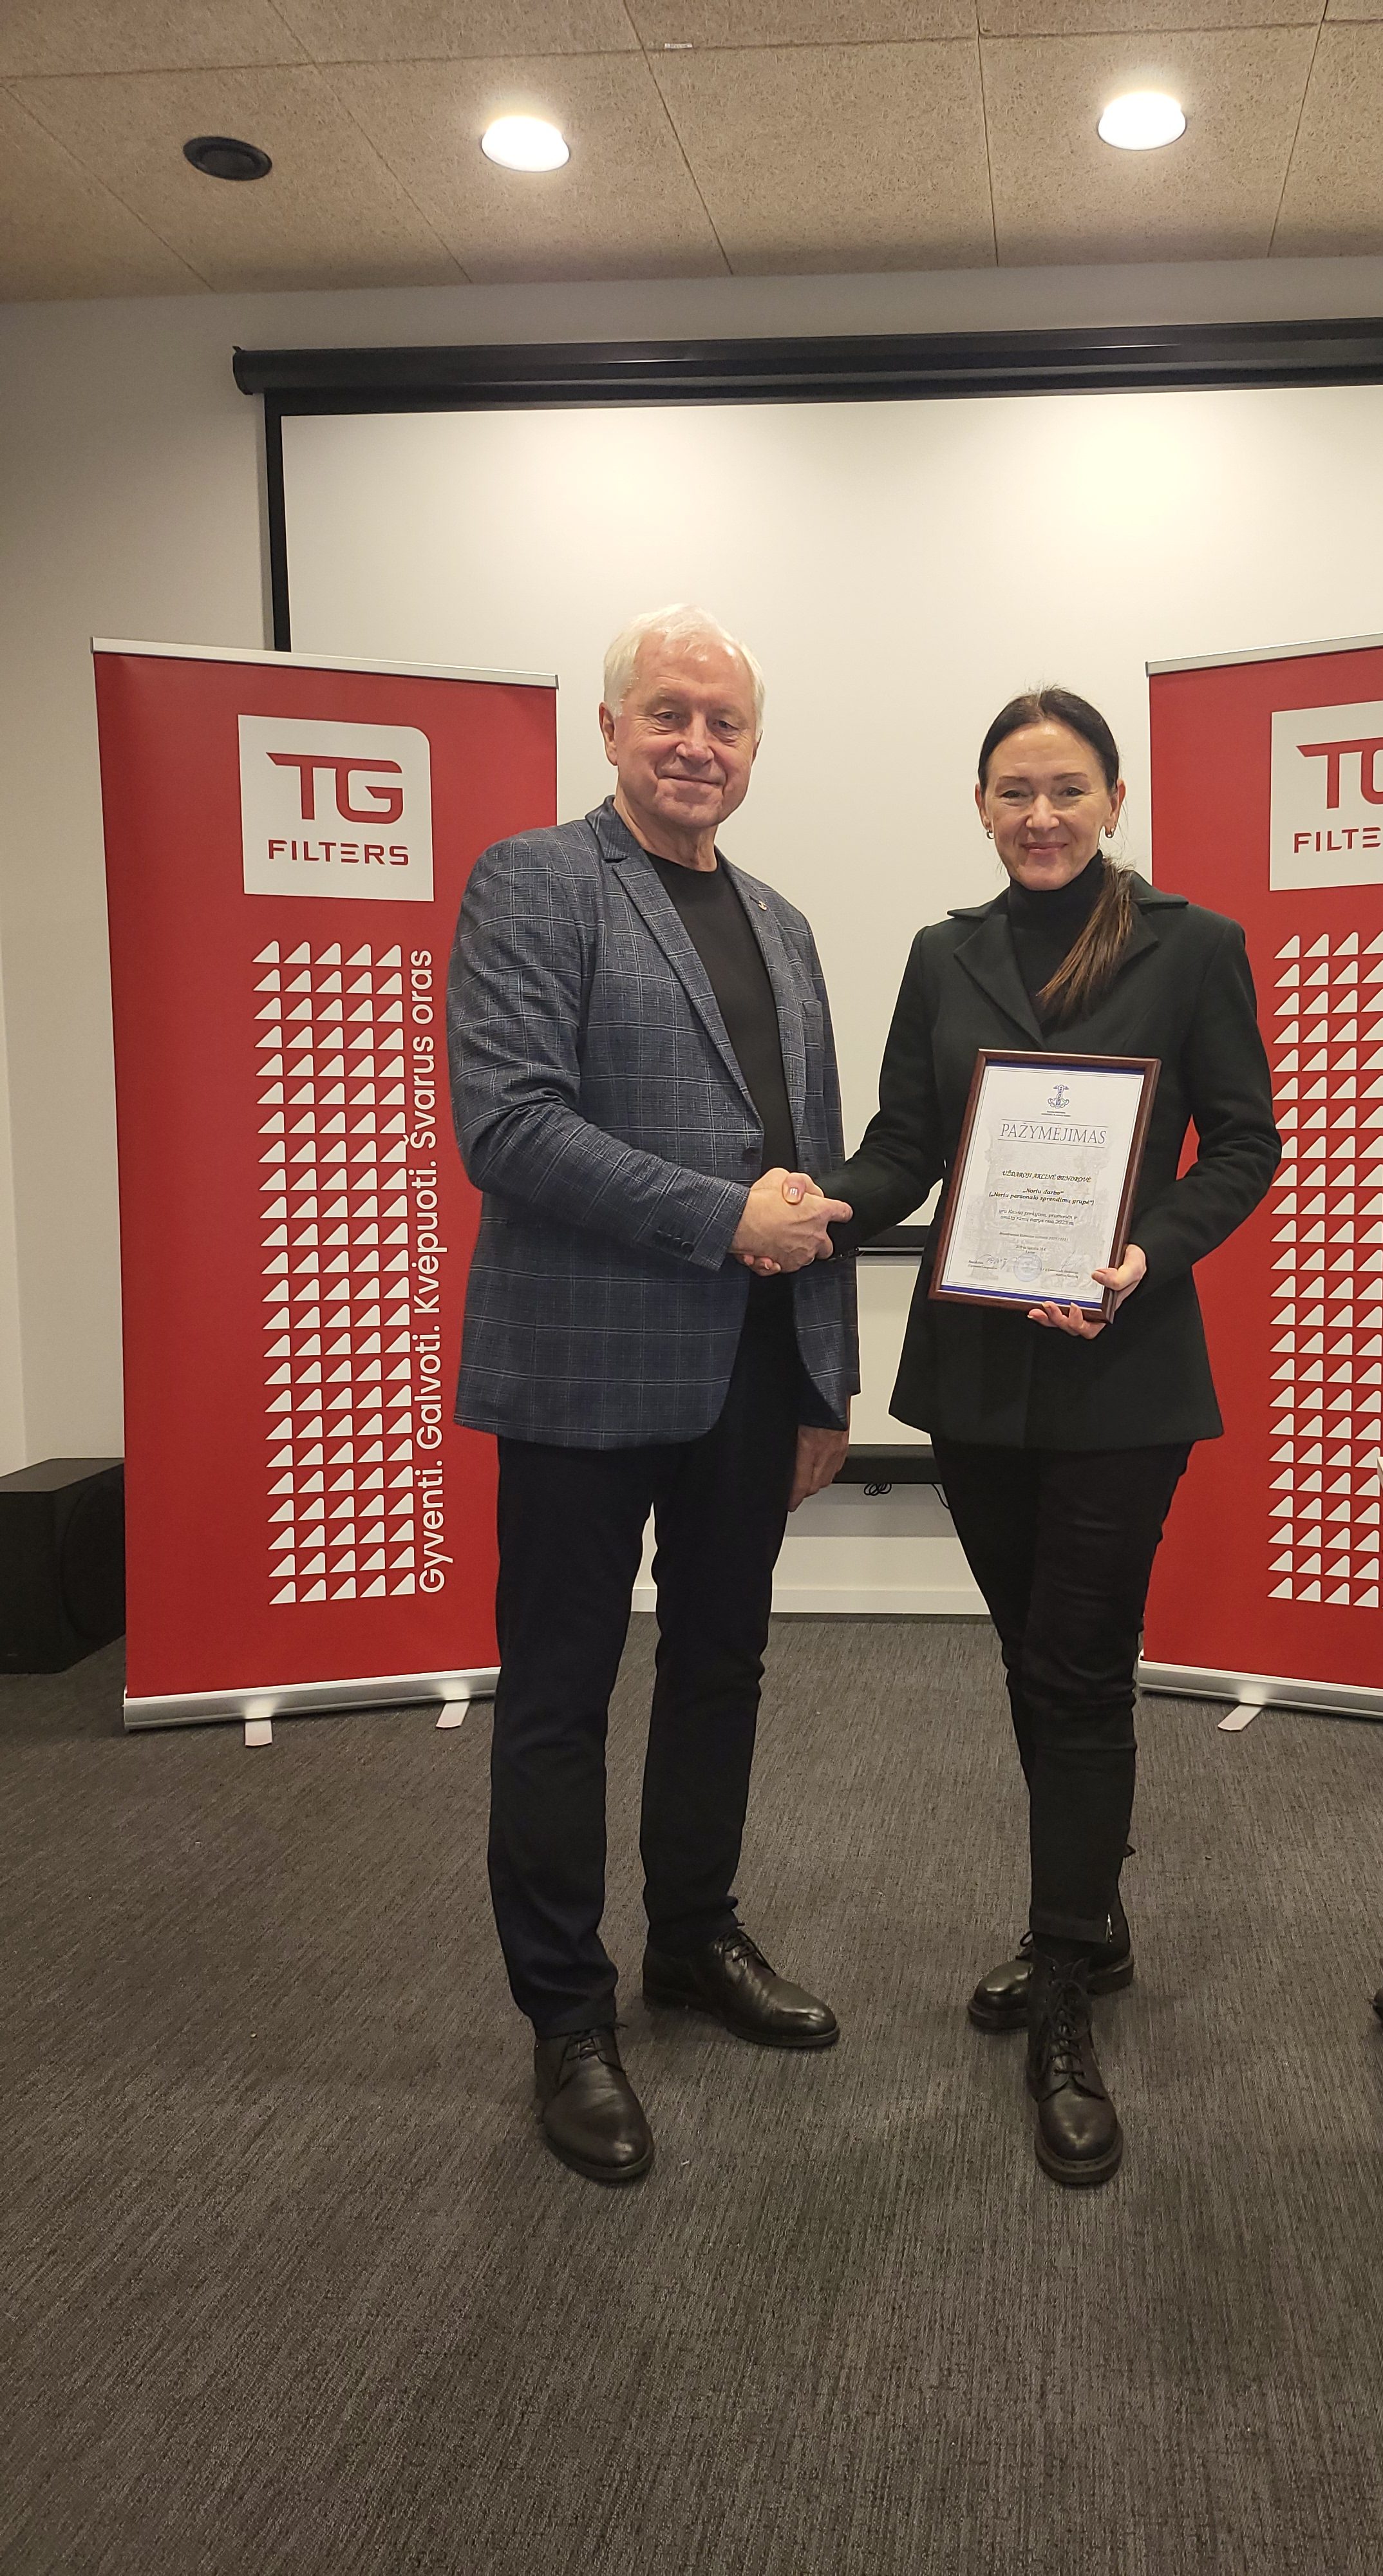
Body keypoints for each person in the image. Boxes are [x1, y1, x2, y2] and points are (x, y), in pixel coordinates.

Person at [804, 685, 1280, 2186]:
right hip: (979, 1377)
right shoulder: (941, 953)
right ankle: (1097, 1919)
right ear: (982, 804)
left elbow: (1246, 1143)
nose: (1042, 814)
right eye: (1015, 789)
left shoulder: (1191, 946)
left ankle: (1065, 1986)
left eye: (1068, 787)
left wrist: (1146, 1252)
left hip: (1120, 1369)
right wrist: (817, 1205)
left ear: (1114, 799)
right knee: (1034, 1657)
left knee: (1078, 1671)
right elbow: (905, 1147)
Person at [448, 604, 856, 2187]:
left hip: (751, 1371)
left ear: (753, 749)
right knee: (559, 1692)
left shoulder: (785, 922)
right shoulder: (535, 880)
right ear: (611, 728)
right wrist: (717, 1216)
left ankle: (693, 1934)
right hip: (581, 1365)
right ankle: (567, 2013)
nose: (697, 743)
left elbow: (807, 1165)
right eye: (669, 714)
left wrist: (823, 1374)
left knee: (720, 1666)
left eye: (725, 722)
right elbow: (511, 1124)